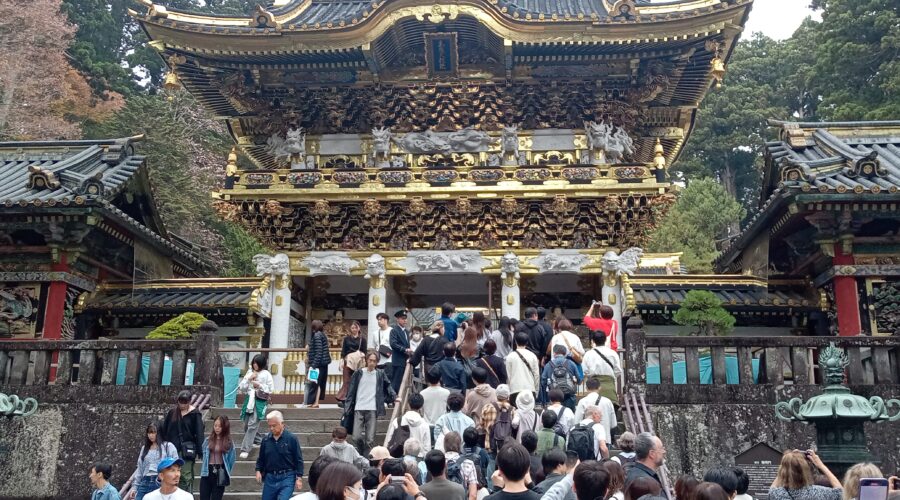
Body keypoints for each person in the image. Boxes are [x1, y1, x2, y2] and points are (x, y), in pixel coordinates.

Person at [345, 351, 396, 455]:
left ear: (377, 362)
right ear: (366, 360)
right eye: (370, 360)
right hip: (359, 407)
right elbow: (351, 391)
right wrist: (347, 407)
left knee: (370, 439)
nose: (372, 363)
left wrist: (395, 397)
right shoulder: (359, 373)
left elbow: (388, 385)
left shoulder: (380, 374)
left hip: (372, 408)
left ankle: (367, 458)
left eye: (374, 361)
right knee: (356, 437)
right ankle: (361, 451)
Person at [158, 390, 205, 492]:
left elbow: (199, 433)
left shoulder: (195, 414)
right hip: (172, 448)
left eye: (185, 402)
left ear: (189, 401)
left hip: (187, 450)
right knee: (171, 475)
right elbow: (165, 429)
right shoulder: (172, 413)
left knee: (185, 476)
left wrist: (200, 450)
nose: (182, 404)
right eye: (181, 401)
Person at [256, 411, 305, 500]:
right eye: (270, 426)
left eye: (274, 425)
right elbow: (261, 458)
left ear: (282, 424)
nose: (271, 428)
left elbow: (298, 459)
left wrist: (299, 477)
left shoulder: (291, 438)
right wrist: (258, 470)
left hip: (287, 476)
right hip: (270, 477)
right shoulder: (266, 440)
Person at [129, 422, 178, 500]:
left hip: (160, 481)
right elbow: (140, 469)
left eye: (154, 432)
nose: (151, 435)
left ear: (159, 433)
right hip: (145, 481)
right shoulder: (144, 448)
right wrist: (135, 487)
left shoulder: (168, 446)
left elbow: (175, 466)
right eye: (149, 432)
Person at [239, 354, 275, 459]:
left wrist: (259, 385)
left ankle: (245, 449)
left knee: (252, 425)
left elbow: (271, 389)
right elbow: (242, 387)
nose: (255, 365)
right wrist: (248, 379)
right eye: (254, 362)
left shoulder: (266, 374)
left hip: (260, 401)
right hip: (249, 400)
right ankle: (261, 440)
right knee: (246, 424)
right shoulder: (250, 372)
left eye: (257, 363)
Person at [768, 450, 841, 500]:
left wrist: (788, 462)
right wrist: (821, 465)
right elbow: (840, 492)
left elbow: (772, 489)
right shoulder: (818, 493)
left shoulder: (777, 494)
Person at [200, 415, 236, 500]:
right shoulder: (208, 440)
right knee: (204, 496)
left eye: (220, 426)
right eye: (215, 425)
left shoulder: (229, 442)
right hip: (207, 471)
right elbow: (203, 453)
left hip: (220, 471)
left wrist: (226, 471)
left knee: (217, 497)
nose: (217, 428)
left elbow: (231, 459)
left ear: (225, 427)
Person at [581, 330, 621, 406]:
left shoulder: (588, 354)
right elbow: (618, 371)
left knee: (593, 409)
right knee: (611, 408)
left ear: (593, 341)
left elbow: (584, 370)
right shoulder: (613, 353)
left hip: (593, 387)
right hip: (609, 386)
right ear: (605, 340)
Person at [574, 377, 617, 443]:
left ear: (586, 388)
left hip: (587, 441)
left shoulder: (582, 402)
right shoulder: (608, 402)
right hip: (605, 439)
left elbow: (577, 422)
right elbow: (613, 424)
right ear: (599, 387)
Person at [505, 332, 539, 407]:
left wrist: (509, 391)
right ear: (527, 342)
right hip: (530, 389)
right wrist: (536, 391)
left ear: (515, 342)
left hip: (515, 389)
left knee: (515, 412)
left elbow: (508, 376)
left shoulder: (510, 356)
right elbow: (536, 375)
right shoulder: (533, 356)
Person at [443, 431, 480, 500]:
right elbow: (473, 495)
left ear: (444, 445)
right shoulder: (468, 463)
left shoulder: (438, 462)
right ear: (459, 445)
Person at [543, 348, 582, 412]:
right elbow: (579, 380)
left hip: (555, 397)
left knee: (555, 415)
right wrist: (575, 382)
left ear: (554, 353)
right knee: (570, 414)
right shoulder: (571, 363)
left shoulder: (548, 365)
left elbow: (543, 381)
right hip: (569, 396)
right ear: (565, 353)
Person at [337, 320, 366, 404]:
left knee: (357, 380)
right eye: (352, 328)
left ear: (359, 328)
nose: (354, 329)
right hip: (348, 361)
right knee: (346, 380)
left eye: (355, 327)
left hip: (358, 362)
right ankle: (343, 398)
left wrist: (361, 354)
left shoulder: (362, 340)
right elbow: (344, 350)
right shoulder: (346, 339)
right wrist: (341, 360)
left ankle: (355, 398)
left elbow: (364, 351)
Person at [306, 319, 331, 407]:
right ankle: (315, 402)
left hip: (318, 364)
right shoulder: (322, 335)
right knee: (319, 383)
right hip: (323, 363)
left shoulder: (317, 335)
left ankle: (313, 402)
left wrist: (313, 365)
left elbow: (318, 351)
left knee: (315, 383)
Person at [389, 309, 411, 394]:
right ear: (397, 319)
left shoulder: (406, 331)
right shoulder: (394, 330)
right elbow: (393, 344)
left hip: (405, 360)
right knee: (396, 382)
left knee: (404, 381)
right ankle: (393, 398)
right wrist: (404, 350)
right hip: (398, 360)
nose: (405, 320)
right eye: (402, 318)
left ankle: (400, 396)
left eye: (405, 318)